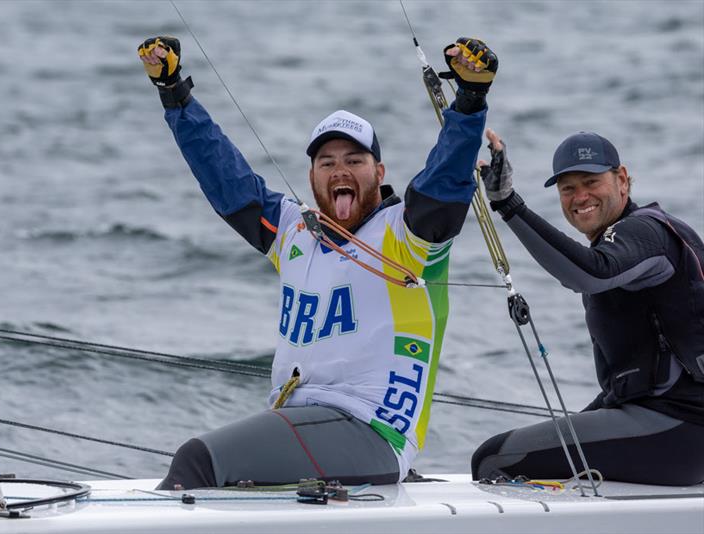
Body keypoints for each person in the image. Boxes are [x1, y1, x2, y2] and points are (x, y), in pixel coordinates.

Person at [137, 36, 498, 489]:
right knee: (226, 482)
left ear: (379, 173)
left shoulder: (406, 238)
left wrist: (469, 101)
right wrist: (174, 93)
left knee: (199, 463)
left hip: (370, 433)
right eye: (326, 162)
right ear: (312, 177)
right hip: (303, 427)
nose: (339, 170)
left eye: (354, 159)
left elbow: (443, 184)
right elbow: (226, 178)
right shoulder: (293, 232)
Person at [472, 129, 704, 486]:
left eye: (591, 181)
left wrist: (507, 204)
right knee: (551, 453)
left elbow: (591, 273)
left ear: (622, 179)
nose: (580, 197)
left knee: (495, 459)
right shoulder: (628, 240)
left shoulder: (644, 232)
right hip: (672, 427)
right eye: (568, 188)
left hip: (681, 429)